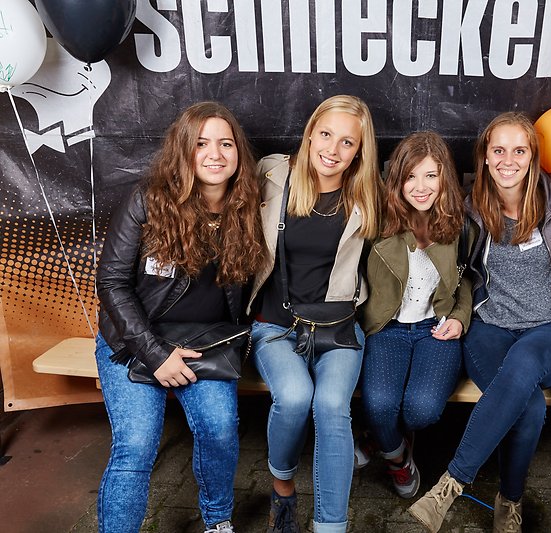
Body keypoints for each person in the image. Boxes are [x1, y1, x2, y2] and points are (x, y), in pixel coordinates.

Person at [95, 101, 266, 533]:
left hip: (206, 341)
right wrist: (156, 355)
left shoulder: (249, 207)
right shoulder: (147, 201)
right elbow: (112, 282)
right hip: (135, 339)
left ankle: (218, 522)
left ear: (239, 153)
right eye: (201, 144)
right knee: (136, 444)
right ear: (182, 151)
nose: (215, 154)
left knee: (220, 428)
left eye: (226, 144)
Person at [409, 112, 551, 533]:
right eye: (498, 150)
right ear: (484, 156)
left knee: (525, 362)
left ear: (533, 156)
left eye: (519, 151)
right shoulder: (469, 208)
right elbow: (457, 272)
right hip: (489, 327)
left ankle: (451, 482)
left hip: (548, 330)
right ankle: (510, 499)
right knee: (530, 407)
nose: (508, 160)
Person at [246, 95, 381, 533]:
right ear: (309, 133)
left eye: (347, 142)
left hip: (338, 327)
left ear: (359, 151)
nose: (333, 150)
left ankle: (330, 527)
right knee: (294, 397)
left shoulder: (367, 194)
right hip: (276, 325)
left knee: (332, 405)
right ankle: (283, 490)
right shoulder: (272, 174)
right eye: (325, 134)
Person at [358, 131, 473, 499]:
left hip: (436, 327)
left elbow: (469, 277)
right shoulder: (377, 220)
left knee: (421, 409)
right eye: (411, 176)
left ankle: (382, 437)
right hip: (387, 327)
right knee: (379, 405)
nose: (421, 187)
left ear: (444, 178)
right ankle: (397, 457)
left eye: (431, 175)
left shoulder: (461, 222)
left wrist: (460, 316)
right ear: (397, 179)